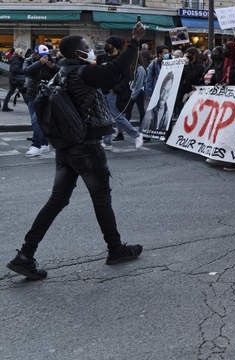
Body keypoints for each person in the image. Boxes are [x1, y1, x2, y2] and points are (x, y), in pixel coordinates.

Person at [5, 23, 147, 280]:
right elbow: (115, 71)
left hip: (66, 147)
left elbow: (111, 73)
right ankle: (115, 249)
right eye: (87, 47)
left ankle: (25, 255)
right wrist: (135, 42)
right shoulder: (83, 73)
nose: (91, 50)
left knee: (57, 200)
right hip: (86, 148)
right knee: (101, 198)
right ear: (77, 53)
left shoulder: (62, 71)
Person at [99, 37, 144, 151]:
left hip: (114, 93)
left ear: (114, 46)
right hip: (101, 91)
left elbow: (127, 77)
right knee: (106, 118)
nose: (106, 45)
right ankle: (107, 142)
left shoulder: (121, 59)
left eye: (108, 43)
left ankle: (137, 135)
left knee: (118, 117)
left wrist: (115, 89)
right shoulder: (101, 58)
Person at [23, 45, 59, 157]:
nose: (44, 57)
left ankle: (36, 145)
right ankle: (44, 143)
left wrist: (51, 66)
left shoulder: (51, 60)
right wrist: (39, 63)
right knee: (36, 121)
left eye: (45, 55)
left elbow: (60, 72)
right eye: (41, 55)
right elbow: (26, 71)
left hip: (46, 95)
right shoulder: (29, 60)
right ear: (36, 53)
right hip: (32, 94)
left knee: (36, 120)